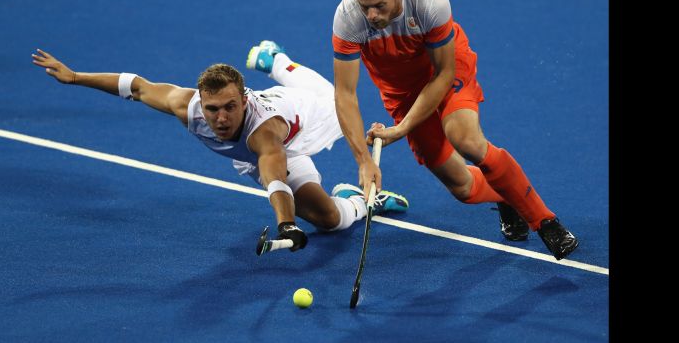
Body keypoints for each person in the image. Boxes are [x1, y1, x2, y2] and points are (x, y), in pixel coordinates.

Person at [31, 41, 408, 253]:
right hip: (265, 151)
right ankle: (356, 200)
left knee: (326, 94)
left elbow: (274, 177)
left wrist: (286, 224)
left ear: (244, 100)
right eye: (213, 109)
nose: (222, 117)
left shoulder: (263, 132)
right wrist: (76, 77)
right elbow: (137, 86)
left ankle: (275, 60)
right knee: (332, 222)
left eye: (231, 107)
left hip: (301, 123)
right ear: (202, 104)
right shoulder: (187, 106)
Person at [331, 0, 578, 260]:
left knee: (466, 139)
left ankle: (545, 222)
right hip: (400, 92)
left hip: (445, 70)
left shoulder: (429, 3)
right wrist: (363, 161)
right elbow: (345, 94)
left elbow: (444, 73)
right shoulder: (348, 17)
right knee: (461, 188)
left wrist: (403, 128)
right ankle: (507, 195)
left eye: (379, 6)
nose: (372, 16)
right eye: (365, 7)